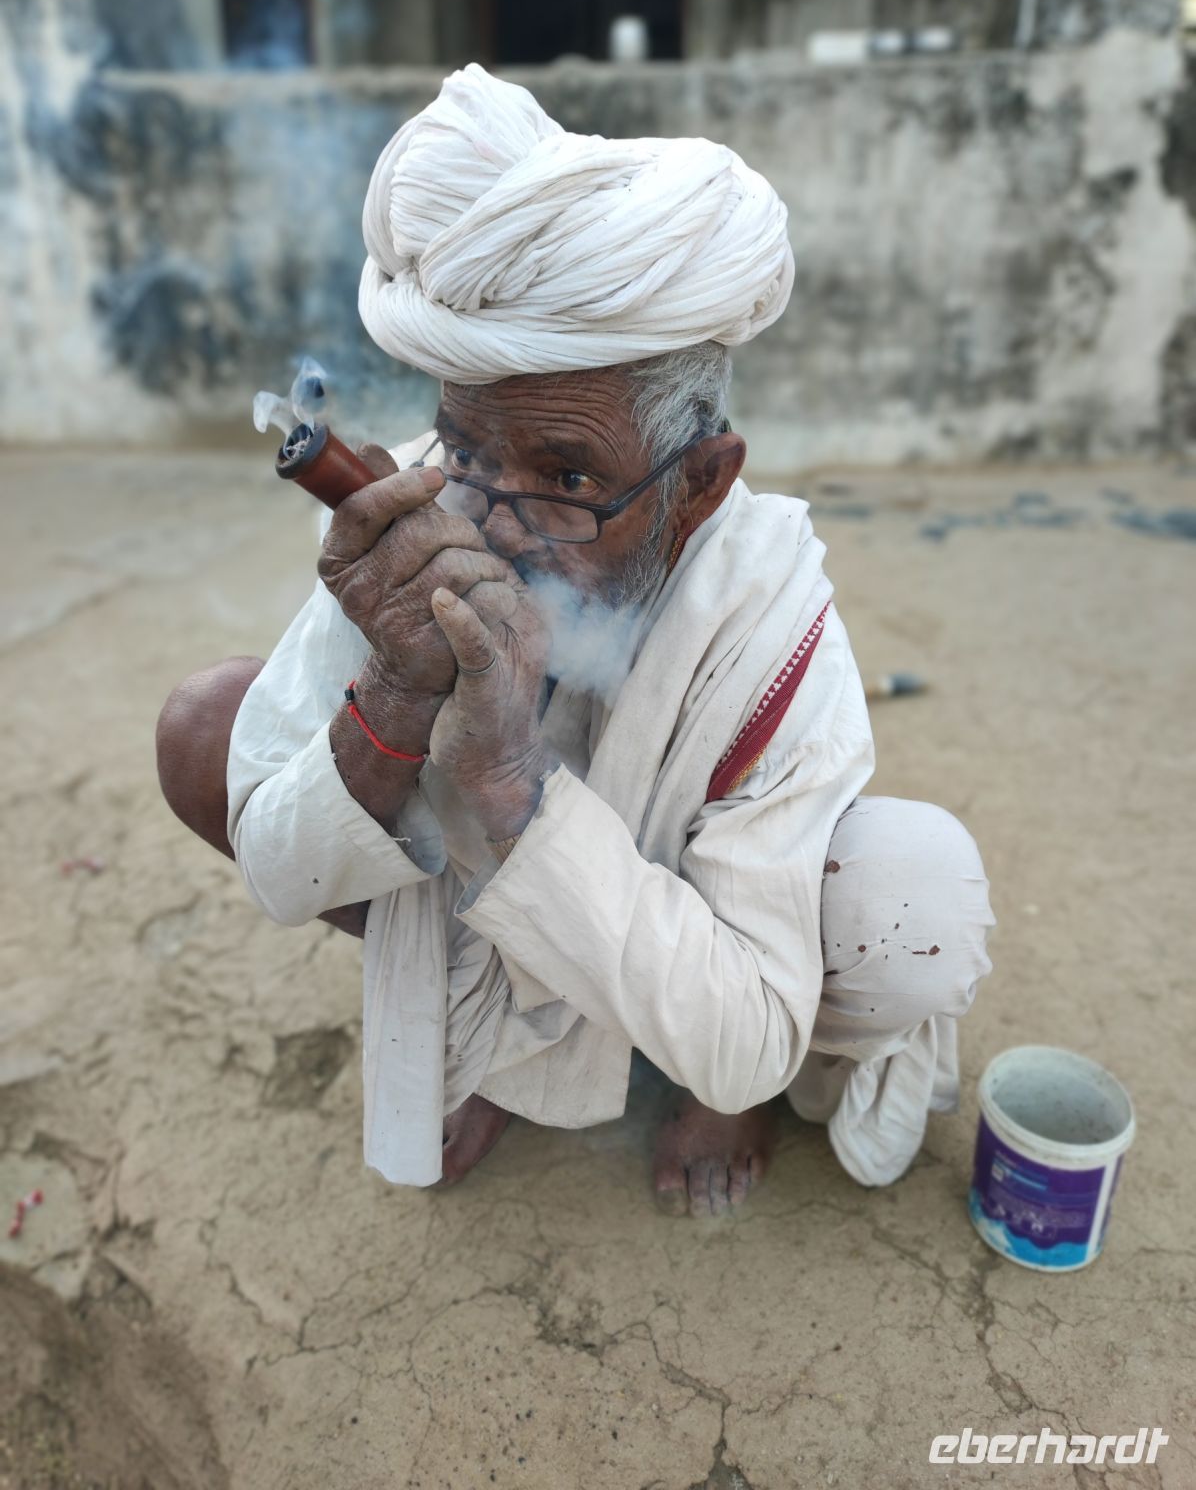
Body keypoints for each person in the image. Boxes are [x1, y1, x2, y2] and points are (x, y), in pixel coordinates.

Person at [157, 66, 994, 1217]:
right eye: (467, 450)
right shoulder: (430, 503)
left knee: (913, 894)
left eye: (563, 477)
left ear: (698, 486)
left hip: (686, 937)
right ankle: (501, 1044)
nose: (491, 520)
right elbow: (279, 866)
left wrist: (506, 782)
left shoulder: (766, 616)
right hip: (509, 905)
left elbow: (752, 1036)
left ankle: (681, 1093)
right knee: (207, 727)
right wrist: (398, 697)